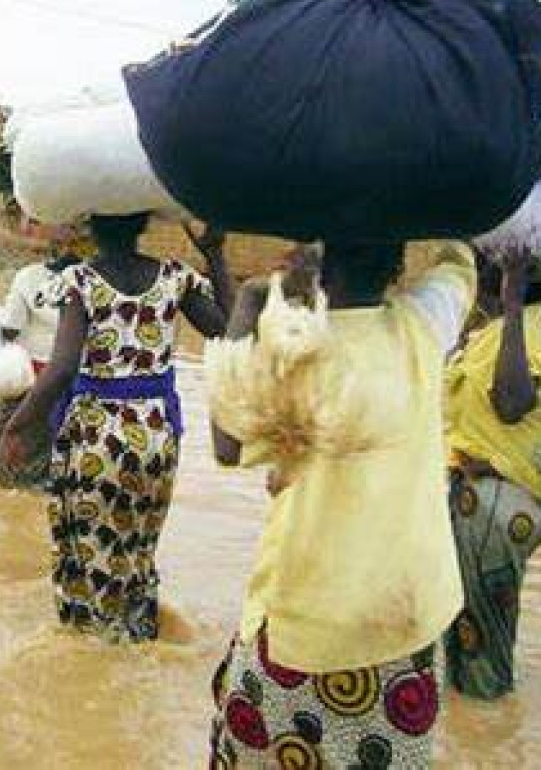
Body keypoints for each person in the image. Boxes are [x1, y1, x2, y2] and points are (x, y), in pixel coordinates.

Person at [206, 242, 475, 767]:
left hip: (299, 623)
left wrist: (250, 302)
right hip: (401, 626)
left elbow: (227, 443)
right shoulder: (423, 328)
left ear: (311, 263)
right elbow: (460, 265)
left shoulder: (289, 347)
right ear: (397, 265)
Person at [0, 212, 231, 642]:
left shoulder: (81, 281)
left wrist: (17, 426)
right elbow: (228, 330)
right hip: (157, 435)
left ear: (88, 224)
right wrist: (214, 253)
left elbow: (62, 369)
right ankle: (137, 639)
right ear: (144, 222)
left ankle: (91, 656)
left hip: (97, 434)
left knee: (87, 554)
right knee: (138, 550)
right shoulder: (176, 277)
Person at [443, 249, 541, 699]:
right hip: (482, 500)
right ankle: (479, 745)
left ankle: (493, 747)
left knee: (482, 666)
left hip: (496, 505)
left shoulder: (529, 328)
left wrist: (513, 303)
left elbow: (511, 403)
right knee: (463, 644)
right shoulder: (492, 333)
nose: (481, 265)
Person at [0, 222, 82, 489]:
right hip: (77, 385)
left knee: (9, 470)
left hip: (32, 385)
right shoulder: (94, 281)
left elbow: (9, 329)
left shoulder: (28, 277)